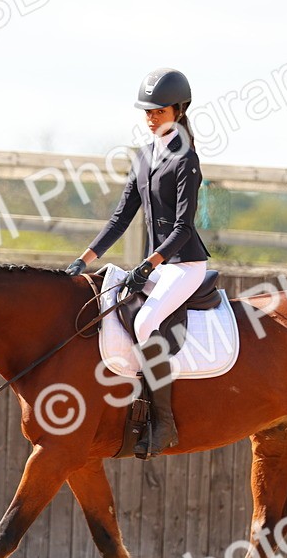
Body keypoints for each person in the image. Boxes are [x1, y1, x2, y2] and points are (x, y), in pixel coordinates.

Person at [67, 68, 210, 458]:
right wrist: (83, 260)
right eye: (146, 111)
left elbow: (183, 228)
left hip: (184, 264)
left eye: (158, 111)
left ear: (178, 110)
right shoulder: (144, 155)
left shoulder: (186, 158)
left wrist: (149, 264)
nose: (151, 117)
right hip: (158, 265)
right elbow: (120, 217)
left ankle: (164, 423)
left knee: (146, 322)